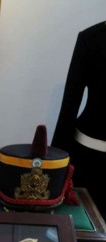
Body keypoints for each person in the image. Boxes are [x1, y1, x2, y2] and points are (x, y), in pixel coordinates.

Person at [52, 21, 106, 216]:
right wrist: (57, 163)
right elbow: (70, 102)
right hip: (89, 156)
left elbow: (70, 103)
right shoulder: (91, 38)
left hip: (88, 152)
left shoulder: (90, 37)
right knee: (80, 224)